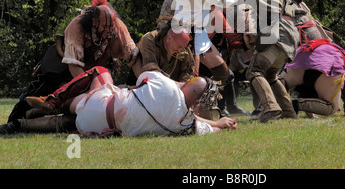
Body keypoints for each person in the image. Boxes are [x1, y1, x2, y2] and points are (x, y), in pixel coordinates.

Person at [7, 0, 139, 122]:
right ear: (94, 22)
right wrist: (91, 94)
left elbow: (133, 56)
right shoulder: (76, 27)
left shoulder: (118, 26)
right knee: (37, 91)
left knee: (88, 103)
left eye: (111, 27)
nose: (109, 30)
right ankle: (14, 122)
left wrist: (142, 82)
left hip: (97, 70)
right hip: (62, 68)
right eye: (104, 27)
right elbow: (74, 65)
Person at [1, 66, 237, 136]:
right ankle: (26, 122)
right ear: (197, 105)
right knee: (69, 122)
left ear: (186, 84)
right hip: (93, 127)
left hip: (98, 105)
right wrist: (219, 123)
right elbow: (198, 123)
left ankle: (52, 101)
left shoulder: (166, 84)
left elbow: (143, 76)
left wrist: (174, 83)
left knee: (98, 72)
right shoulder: (184, 124)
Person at [168, 0, 243, 109]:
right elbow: (222, 0)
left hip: (196, 34)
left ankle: (207, 107)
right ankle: (192, 109)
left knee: (222, 73)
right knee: (190, 77)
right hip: (187, 35)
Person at [240, 0, 299, 123]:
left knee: (254, 70)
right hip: (289, 36)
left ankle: (271, 107)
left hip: (277, 33)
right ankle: (288, 112)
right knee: (271, 75)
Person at [280, 39, 345, 117]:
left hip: (299, 61)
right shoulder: (341, 58)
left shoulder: (310, 45)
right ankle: (293, 104)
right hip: (327, 67)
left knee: (277, 87)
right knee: (332, 107)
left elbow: (306, 91)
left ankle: (271, 105)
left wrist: (310, 114)